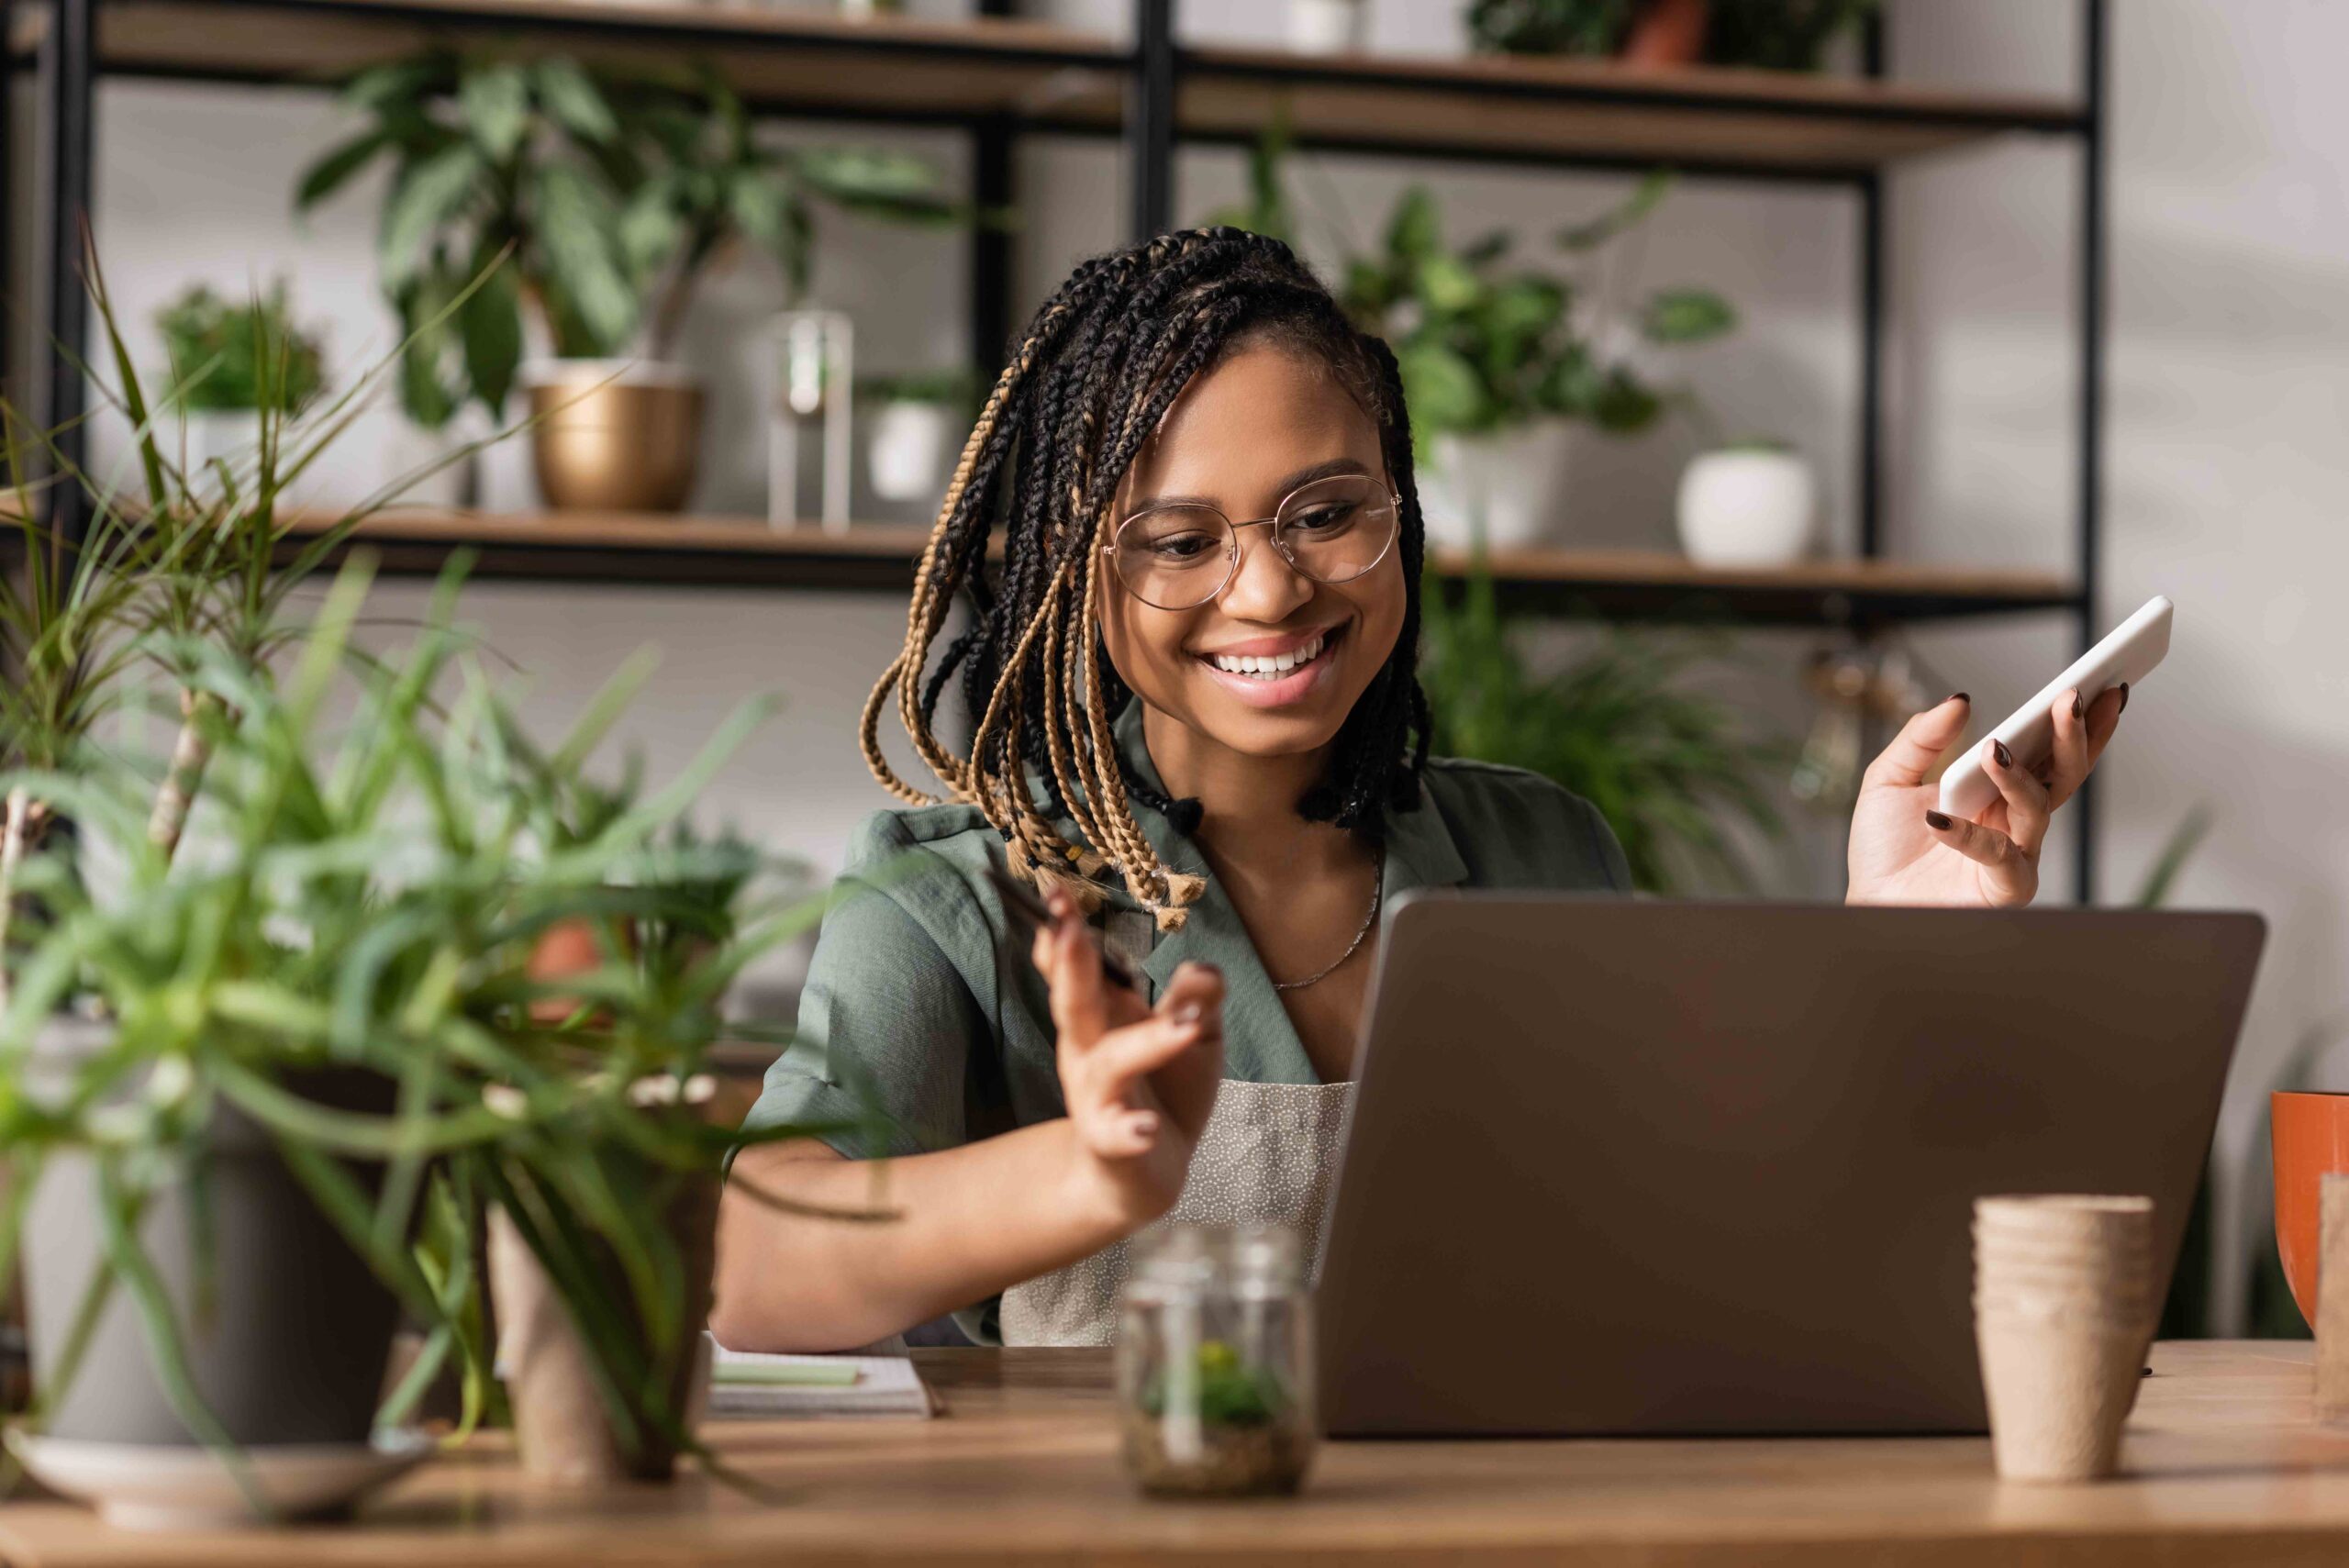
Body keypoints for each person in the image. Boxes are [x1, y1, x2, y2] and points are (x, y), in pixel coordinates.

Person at [711, 229, 2124, 1351]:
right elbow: (761, 1269)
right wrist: (1091, 1175)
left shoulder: (1540, 850)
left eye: (1327, 512)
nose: (1269, 587)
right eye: (1178, 538)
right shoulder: (947, 895)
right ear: (1075, 578)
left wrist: (1887, 965)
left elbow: (1713, 1265)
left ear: (1402, 512)